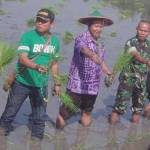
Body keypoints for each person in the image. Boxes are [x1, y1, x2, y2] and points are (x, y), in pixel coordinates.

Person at [0, 8, 61, 140]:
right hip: (22, 82)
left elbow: (54, 64)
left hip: (41, 85)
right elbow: (22, 58)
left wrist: (57, 83)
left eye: (44, 21)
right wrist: (36, 67)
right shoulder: (28, 36)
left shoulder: (55, 41)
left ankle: (36, 141)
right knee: (10, 113)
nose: (40, 23)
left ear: (52, 24)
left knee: (39, 117)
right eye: (38, 20)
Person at [56, 10, 113, 128]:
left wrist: (107, 71)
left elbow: (100, 62)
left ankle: (82, 140)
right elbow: (84, 50)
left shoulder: (101, 44)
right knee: (64, 114)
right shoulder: (81, 39)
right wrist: (94, 57)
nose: (99, 29)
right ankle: (58, 138)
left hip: (92, 87)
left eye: (101, 26)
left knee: (87, 113)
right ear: (89, 25)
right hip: (76, 86)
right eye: (96, 26)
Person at [109, 20, 150, 124]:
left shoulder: (149, 45)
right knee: (118, 109)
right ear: (137, 29)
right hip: (128, 81)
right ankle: (111, 133)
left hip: (141, 84)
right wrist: (112, 74)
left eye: (145, 31)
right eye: (141, 30)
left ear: (148, 32)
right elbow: (133, 55)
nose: (142, 32)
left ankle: (133, 136)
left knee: (137, 111)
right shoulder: (130, 42)